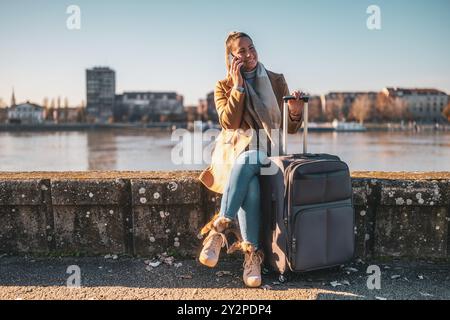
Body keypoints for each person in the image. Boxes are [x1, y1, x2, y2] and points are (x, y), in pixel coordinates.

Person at [197, 31, 305, 287]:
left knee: (249, 163)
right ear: (231, 58)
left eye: (251, 48)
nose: (249, 54)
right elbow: (229, 122)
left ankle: (219, 228)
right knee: (251, 184)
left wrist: (295, 112)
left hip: (271, 155)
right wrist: (238, 86)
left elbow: (290, 129)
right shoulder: (223, 86)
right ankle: (252, 257)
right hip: (238, 155)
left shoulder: (276, 81)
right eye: (242, 51)